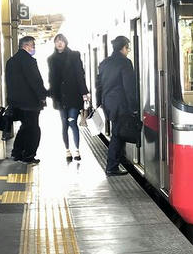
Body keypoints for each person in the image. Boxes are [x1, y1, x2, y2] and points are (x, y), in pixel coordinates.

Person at [96, 36, 138, 176]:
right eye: (128, 48)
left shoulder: (104, 63)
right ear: (124, 47)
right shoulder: (125, 63)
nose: (128, 51)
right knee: (117, 136)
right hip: (121, 104)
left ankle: (114, 164)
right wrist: (134, 106)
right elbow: (129, 87)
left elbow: (99, 86)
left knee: (117, 133)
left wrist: (100, 104)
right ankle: (112, 166)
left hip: (108, 103)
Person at [47, 33, 91, 161]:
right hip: (60, 97)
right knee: (64, 124)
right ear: (55, 44)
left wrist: (84, 92)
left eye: (61, 41)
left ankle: (77, 150)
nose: (59, 43)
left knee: (72, 122)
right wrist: (50, 94)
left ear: (66, 42)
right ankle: (67, 150)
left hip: (74, 95)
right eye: (57, 41)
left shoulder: (74, 55)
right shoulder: (51, 59)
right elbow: (51, 79)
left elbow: (80, 75)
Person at [5, 36, 48, 164]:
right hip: (30, 103)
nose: (34, 48)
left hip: (16, 103)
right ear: (26, 46)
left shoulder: (11, 61)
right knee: (33, 130)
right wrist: (42, 96)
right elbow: (35, 81)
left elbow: (9, 82)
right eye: (32, 45)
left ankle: (17, 153)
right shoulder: (29, 61)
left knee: (24, 127)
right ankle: (29, 155)